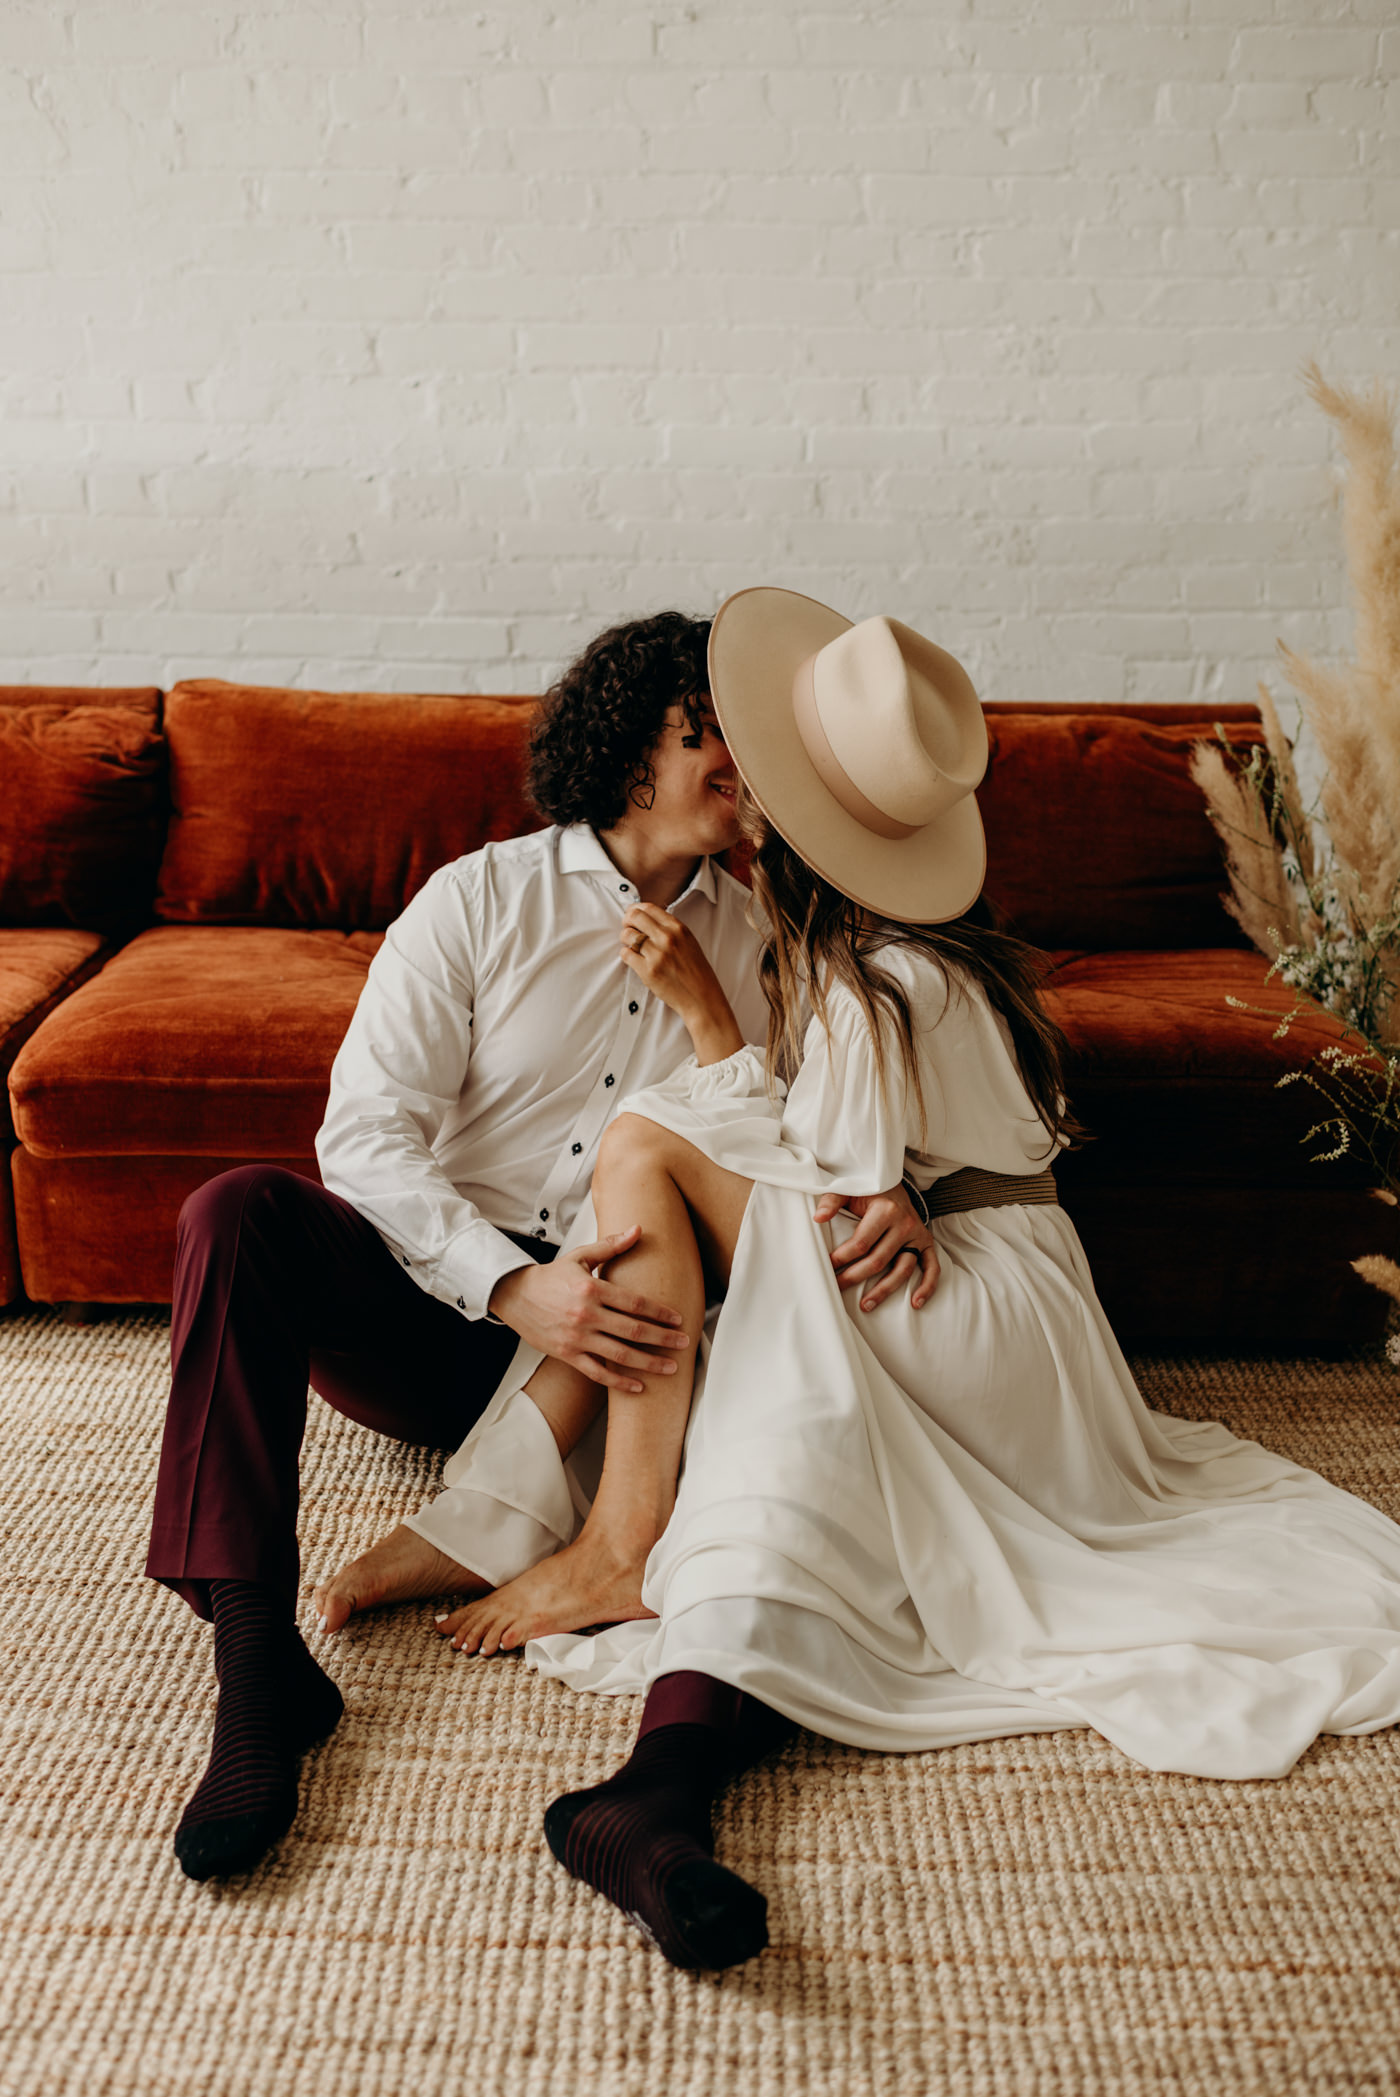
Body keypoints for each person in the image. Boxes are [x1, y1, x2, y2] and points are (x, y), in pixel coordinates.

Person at [388, 588, 1400, 1974]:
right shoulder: (924, 955)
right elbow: (860, 1164)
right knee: (694, 1214)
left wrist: (707, 1026)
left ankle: (613, 1540)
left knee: (646, 1146)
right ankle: (592, 1586)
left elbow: (821, 1165)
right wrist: (882, 1176)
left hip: (962, 1298)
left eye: (755, 772)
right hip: (1023, 1300)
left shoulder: (870, 975)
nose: (737, 785)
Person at [145, 608, 937, 1883]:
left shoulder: (763, 944)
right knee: (232, 1209)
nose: (741, 762)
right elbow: (364, 1134)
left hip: (632, 1351)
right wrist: (512, 1285)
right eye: (710, 734)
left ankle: (610, 1588)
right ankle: (255, 1667)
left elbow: (799, 1157)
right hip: (433, 1313)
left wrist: (893, 1188)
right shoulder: (480, 899)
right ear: (632, 753)